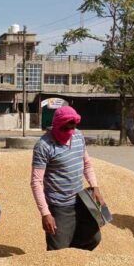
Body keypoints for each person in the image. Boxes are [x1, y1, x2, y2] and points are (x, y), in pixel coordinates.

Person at [30, 106, 104, 251]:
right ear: (57, 124)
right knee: (58, 251)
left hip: (81, 201)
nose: (69, 132)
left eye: (73, 127)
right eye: (65, 128)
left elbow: (87, 164)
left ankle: (73, 260)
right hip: (60, 206)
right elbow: (36, 182)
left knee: (93, 238)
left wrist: (95, 187)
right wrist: (46, 213)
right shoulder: (43, 146)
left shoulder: (78, 136)